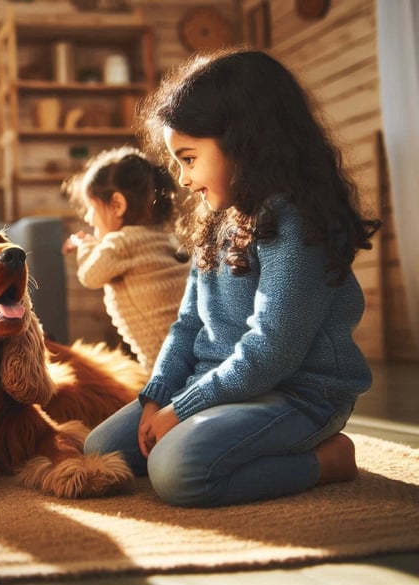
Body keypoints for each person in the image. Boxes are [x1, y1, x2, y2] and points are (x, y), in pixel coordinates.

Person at [84, 48, 381, 508]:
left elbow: (272, 351)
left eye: (188, 158)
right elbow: (187, 325)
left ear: (245, 143)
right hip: (222, 385)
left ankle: (327, 461)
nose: (183, 179)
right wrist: (158, 395)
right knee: (100, 451)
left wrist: (182, 410)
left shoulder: (296, 223)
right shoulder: (216, 220)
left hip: (297, 396)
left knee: (176, 470)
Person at [61, 145, 188, 371]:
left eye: (91, 208)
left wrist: (86, 245)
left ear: (117, 205)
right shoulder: (165, 240)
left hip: (166, 367)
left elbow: (90, 275)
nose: (89, 219)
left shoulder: (121, 244)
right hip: (189, 353)